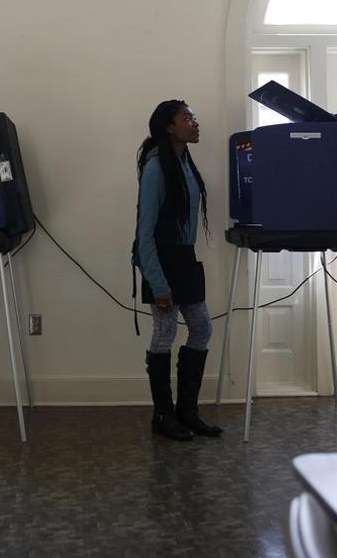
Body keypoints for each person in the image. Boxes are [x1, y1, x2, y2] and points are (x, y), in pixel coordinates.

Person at [134, 100, 222, 441]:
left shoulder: (184, 163)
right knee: (164, 334)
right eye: (187, 118)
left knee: (200, 328)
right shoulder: (156, 167)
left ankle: (188, 411)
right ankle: (164, 414)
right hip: (161, 260)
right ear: (169, 127)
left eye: (194, 117)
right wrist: (157, 283)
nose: (195, 123)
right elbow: (144, 232)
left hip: (185, 258)